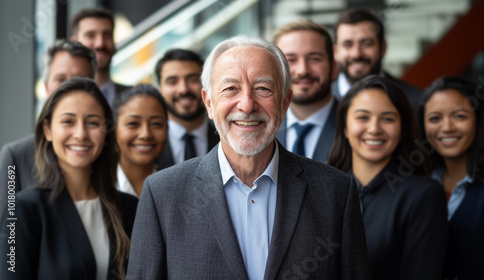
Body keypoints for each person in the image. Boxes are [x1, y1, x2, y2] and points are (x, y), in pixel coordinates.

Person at [127, 36, 370, 279]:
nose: (247, 105)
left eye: (263, 89)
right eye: (230, 88)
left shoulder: (336, 191)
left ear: (284, 103)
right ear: (209, 103)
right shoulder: (162, 194)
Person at [0, 77, 138, 280]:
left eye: (92, 122)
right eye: (68, 121)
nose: (80, 134)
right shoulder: (23, 209)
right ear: (47, 129)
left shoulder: (130, 208)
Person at [327, 75, 448, 280]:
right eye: (363, 117)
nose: (374, 129)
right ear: (346, 127)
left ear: (402, 130)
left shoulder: (424, 196)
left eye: (388, 118)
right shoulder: (323, 187)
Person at [0, 39, 96, 220]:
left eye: (79, 81)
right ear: (45, 87)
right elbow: (8, 232)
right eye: (61, 79)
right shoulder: (16, 156)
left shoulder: (105, 149)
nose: (69, 90)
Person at [418, 76, 484, 280]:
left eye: (459, 116)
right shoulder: (418, 185)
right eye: (435, 118)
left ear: (479, 122)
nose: (446, 127)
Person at [332, 8, 421, 111]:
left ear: (382, 48)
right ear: (336, 52)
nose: (356, 54)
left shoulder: (415, 101)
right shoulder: (319, 101)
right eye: (347, 45)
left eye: (366, 44)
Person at [273, 19, 337, 162]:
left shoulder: (357, 128)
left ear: (334, 67)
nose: (303, 70)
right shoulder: (263, 128)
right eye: (290, 60)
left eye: (314, 59)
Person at [155, 49, 219, 169]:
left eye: (193, 80)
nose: (183, 89)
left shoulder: (226, 139)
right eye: (172, 82)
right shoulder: (149, 144)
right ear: (160, 91)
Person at [112, 84, 168, 197]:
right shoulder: (97, 187)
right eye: (133, 123)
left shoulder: (177, 186)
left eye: (156, 124)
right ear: (114, 130)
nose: (145, 134)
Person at [71, 7, 130, 105]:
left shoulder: (135, 98)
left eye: (107, 35)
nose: (100, 44)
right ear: (75, 44)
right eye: (90, 36)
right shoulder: (64, 98)